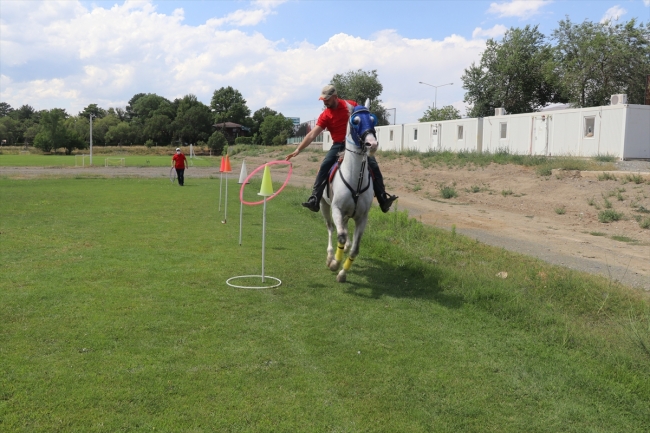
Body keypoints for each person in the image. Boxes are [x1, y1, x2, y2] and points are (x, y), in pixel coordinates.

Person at [286, 85, 397, 213]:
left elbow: (364, 118)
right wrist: (298, 149)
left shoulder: (350, 105)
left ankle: (382, 198)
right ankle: (315, 198)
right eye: (323, 100)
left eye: (327, 99)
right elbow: (312, 134)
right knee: (325, 165)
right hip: (338, 145)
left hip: (356, 144)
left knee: (373, 165)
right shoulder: (325, 115)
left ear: (335, 97)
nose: (325, 102)